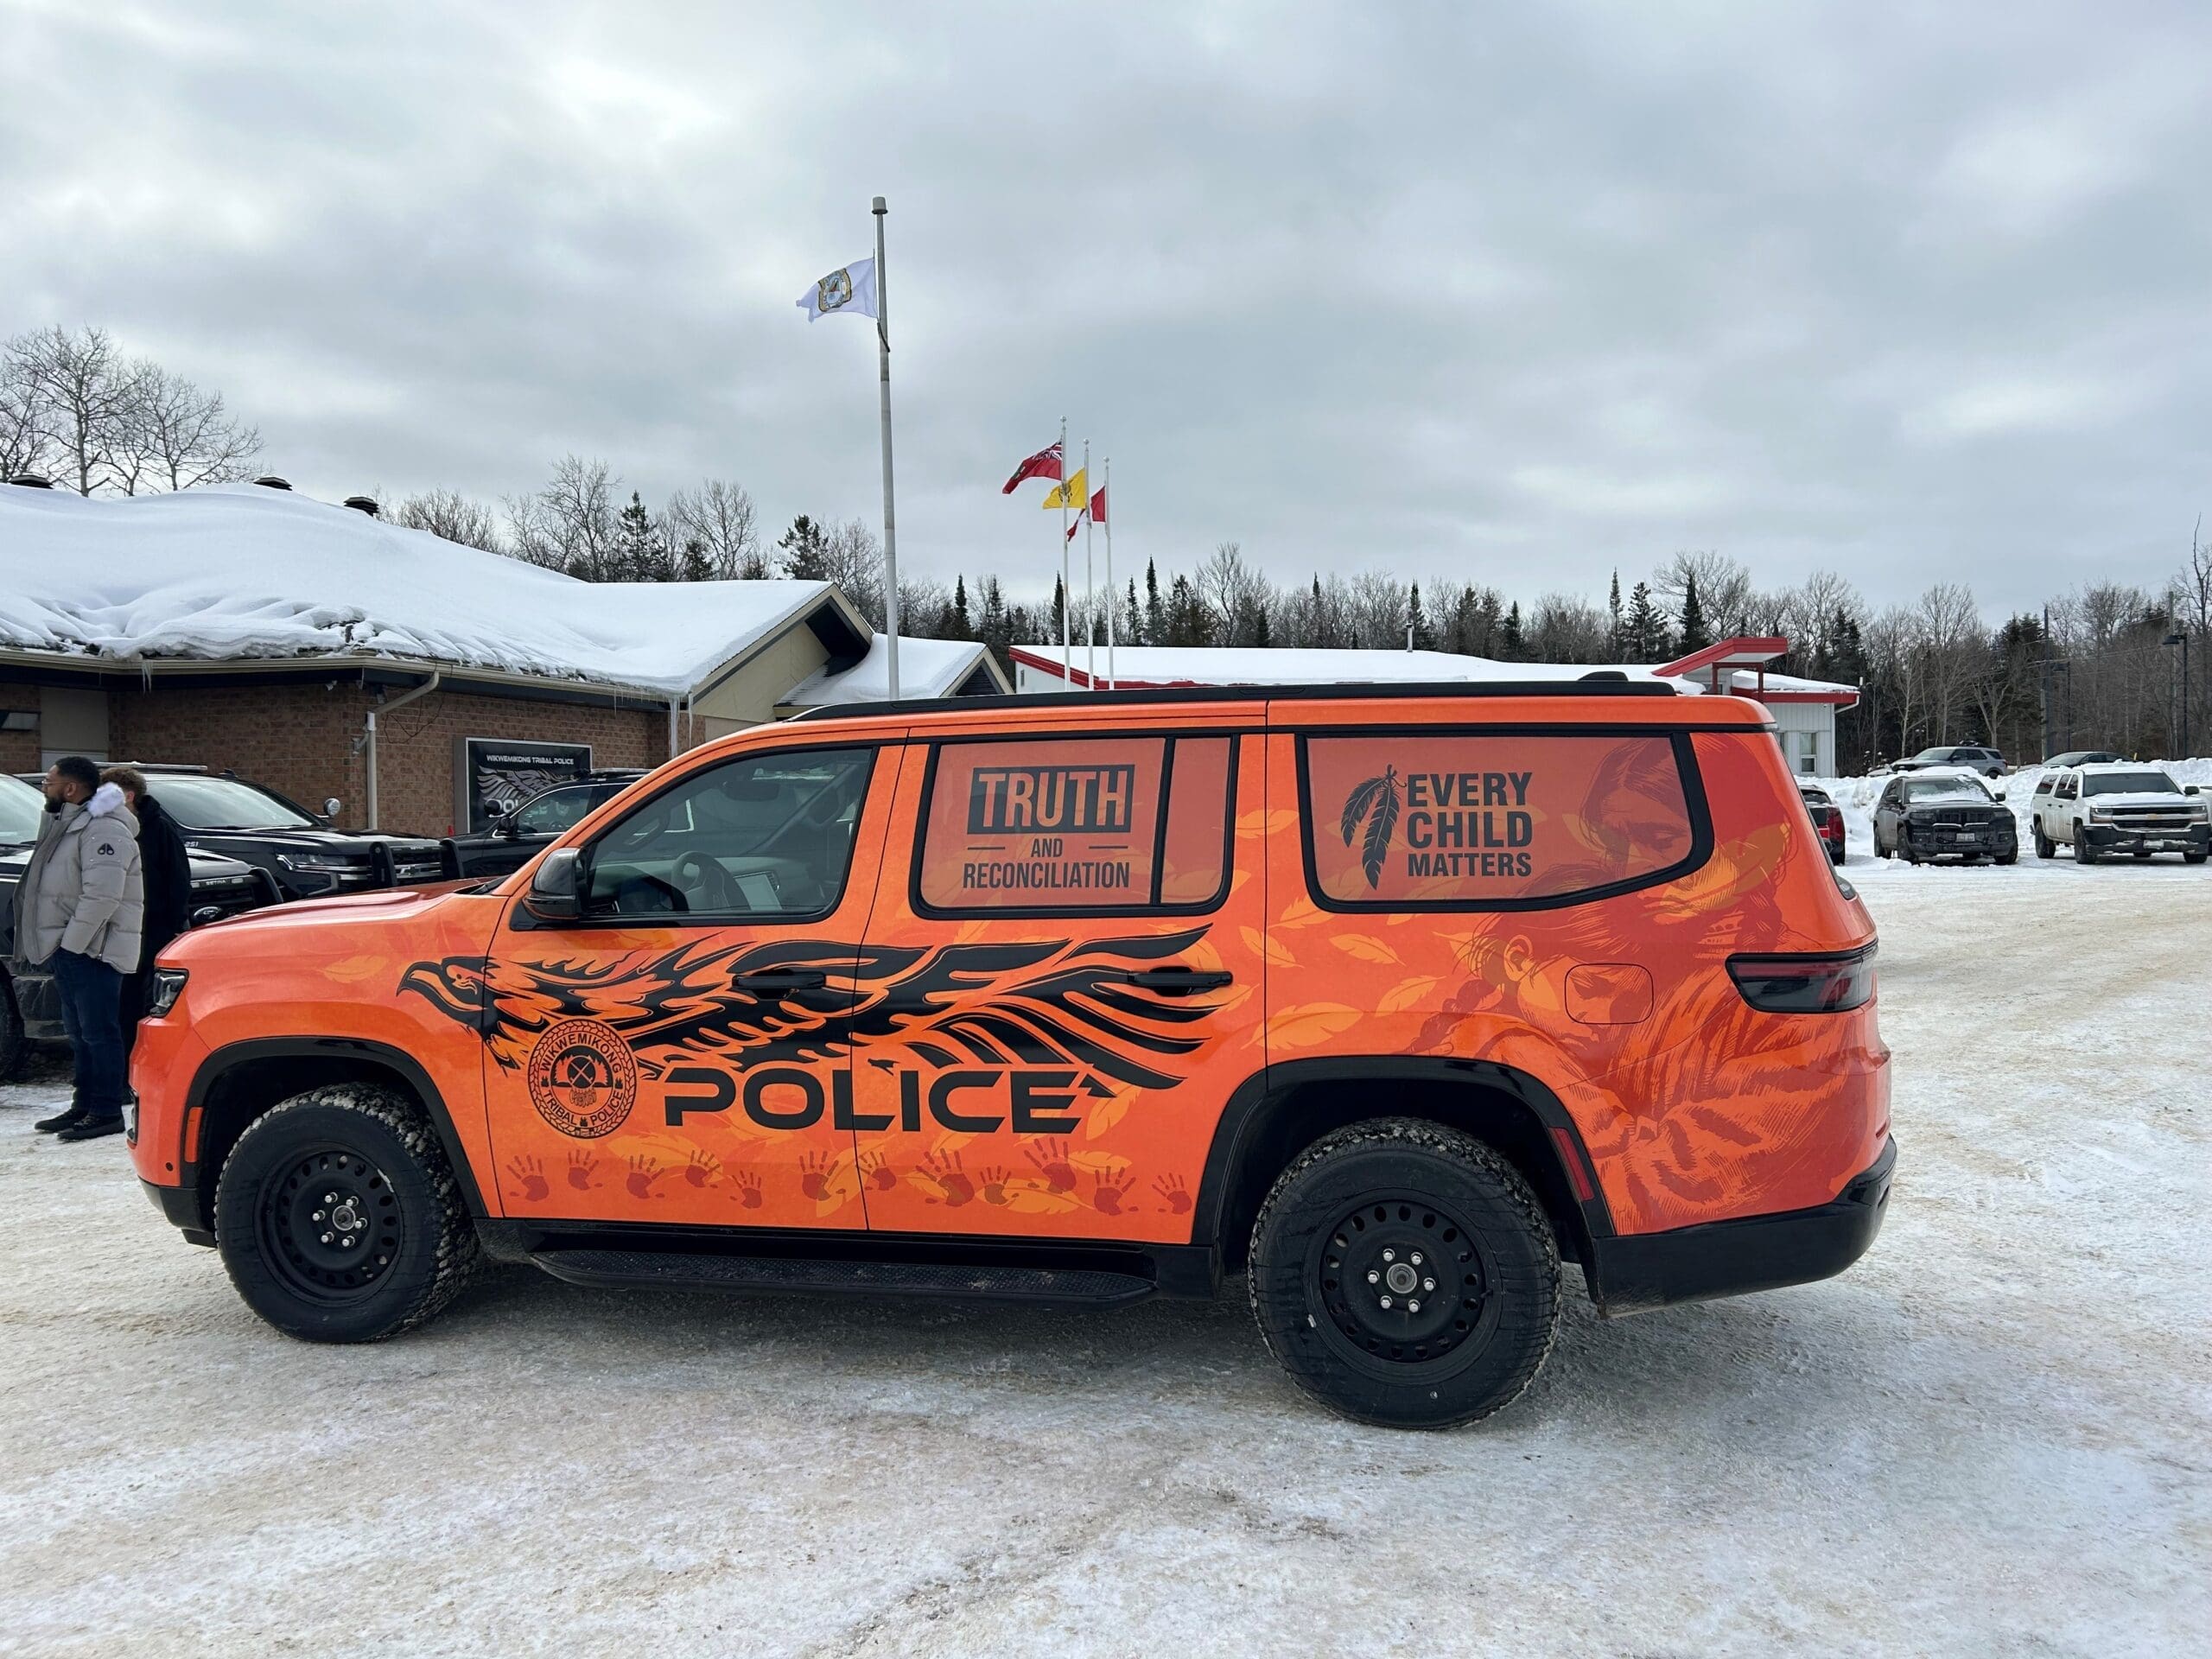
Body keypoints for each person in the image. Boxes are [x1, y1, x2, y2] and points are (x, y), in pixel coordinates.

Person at [12, 756, 143, 1141]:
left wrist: (72, 944)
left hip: (93, 951)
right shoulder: (71, 824)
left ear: (70, 789)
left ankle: (105, 1110)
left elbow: (103, 896)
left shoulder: (104, 829)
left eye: (49, 782)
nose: (44, 788)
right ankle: (84, 1104)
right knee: (79, 1032)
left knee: (99, 1032)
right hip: (72, 949)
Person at [100, 766, 193, 1056]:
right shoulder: (104, 827)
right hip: (118, 928)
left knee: (150, 1000)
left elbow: (178, 877)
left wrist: (175, 922)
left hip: (153, 927)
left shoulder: (159, 829)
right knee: (121, 1002)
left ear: (129, 796)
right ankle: (127, 1061)